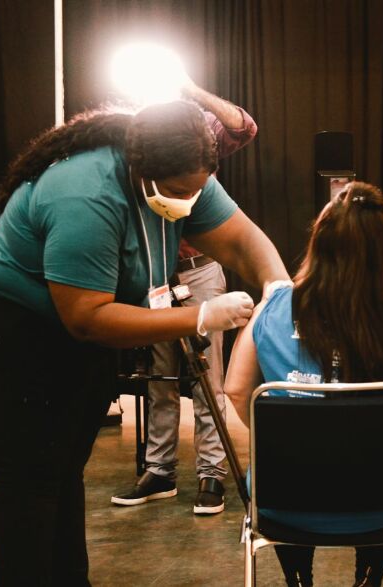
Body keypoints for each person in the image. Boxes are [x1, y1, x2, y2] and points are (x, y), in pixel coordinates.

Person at [0, 78, 289, 585]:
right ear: (141, 172)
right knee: (27, 478)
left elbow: (239, 238)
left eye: (198, 191)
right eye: (178, 194)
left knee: (64, 466)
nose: (189, 203)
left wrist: (277, 285)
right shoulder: (86, 193)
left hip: (71, 324)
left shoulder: (183, 169)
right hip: (3, 322)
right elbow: (87, 318)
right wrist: (200, 316)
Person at [224, 182, 383, 587]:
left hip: (285, 501)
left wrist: (290, 440)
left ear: (319, 243)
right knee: (381, 478)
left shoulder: (275, 308)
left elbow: (234, 389)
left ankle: (298, 581)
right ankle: (368, 579)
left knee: (287, 486)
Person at [110, 85, 258, 515]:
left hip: (201, 271)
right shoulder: (136, 139)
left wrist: (188, 88)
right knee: (160, 378)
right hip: (157, 278)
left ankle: (211, 474)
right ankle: (160, 471)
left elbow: (242, 126)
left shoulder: (196, 132)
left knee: (209, 377)